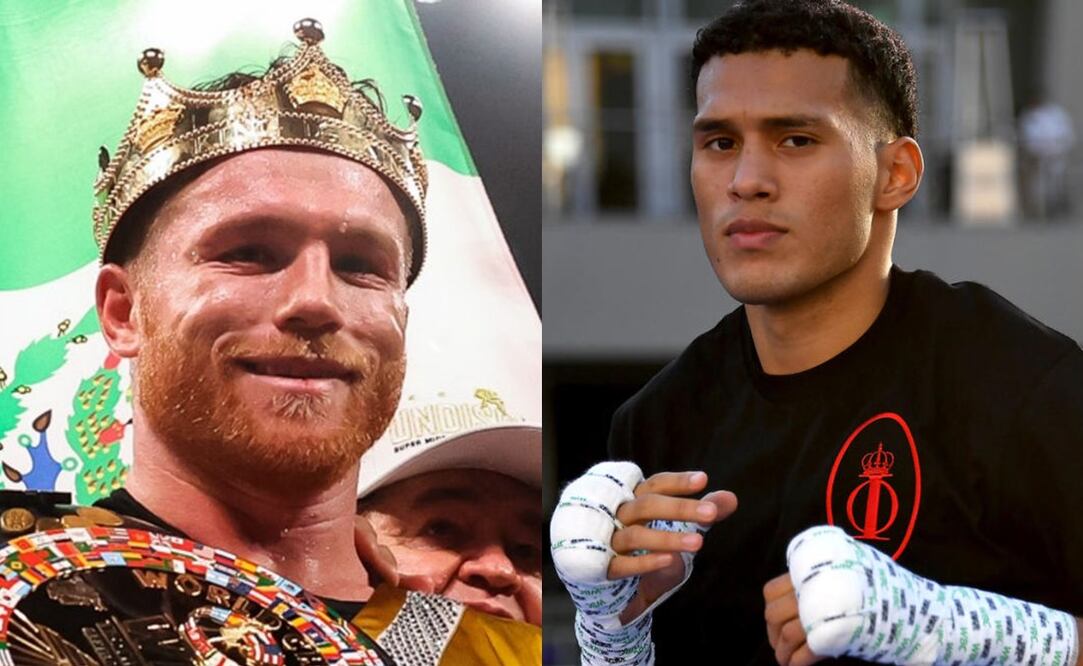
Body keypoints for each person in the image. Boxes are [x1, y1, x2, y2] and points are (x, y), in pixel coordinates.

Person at [550, 1, 1083, 665]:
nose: (745, 181)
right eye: (719, 143)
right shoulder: (658, 422)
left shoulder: (1019, 389)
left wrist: (952, 629)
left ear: (894, 174)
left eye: (794, 140)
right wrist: (612, 633)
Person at [0, 18, 539, 666]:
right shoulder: (17, 575)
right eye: (248, 252)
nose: (316, 299)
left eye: (361, 264)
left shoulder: (507, 652)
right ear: (122, 311)